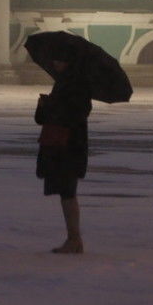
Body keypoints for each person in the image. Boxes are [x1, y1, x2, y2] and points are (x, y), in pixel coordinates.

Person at [34, 57, 92, 254]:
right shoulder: (63, 84)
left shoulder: (77, 87)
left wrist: (51, 106)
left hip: (68, 146)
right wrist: (44, 105)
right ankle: (73, 238)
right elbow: (41, 119)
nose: (55, 63)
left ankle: (74, 239)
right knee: (66, 192)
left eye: (59, 60)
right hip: (59, 145)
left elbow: (75, 115)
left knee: (67, 192)